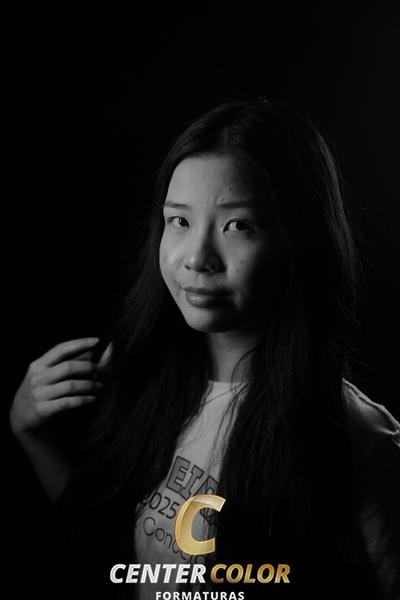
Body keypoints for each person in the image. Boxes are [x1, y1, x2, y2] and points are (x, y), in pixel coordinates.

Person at [9, 98, 400, 600]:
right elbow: (101, 550)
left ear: (299, 240)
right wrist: (32, 435)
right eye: (180, 221)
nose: (197, 258)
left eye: (239, 225)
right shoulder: (137, 377)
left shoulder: (356, 440)